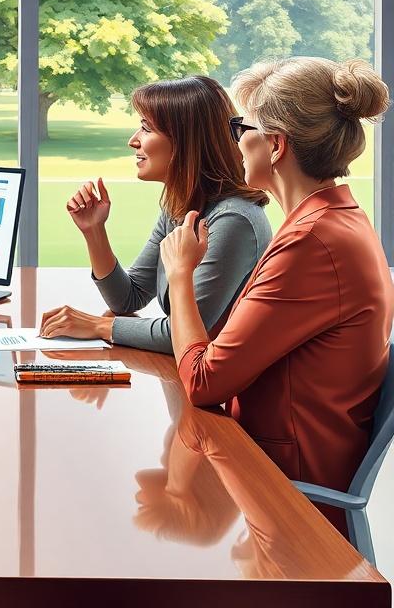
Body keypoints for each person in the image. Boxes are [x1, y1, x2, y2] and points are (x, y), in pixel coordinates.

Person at [159, 56, 394, 536]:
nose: (236, 140)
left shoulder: (312, 242)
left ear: (275, 144)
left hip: (287, 499)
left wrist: (181, 275)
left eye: (241, 127)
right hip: (267, 470)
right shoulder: (332, 221)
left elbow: (205, 381)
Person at [39, 76, 271, 353]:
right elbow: (128, 299)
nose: (132, 141)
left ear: (187, 142)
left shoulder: (234, 221)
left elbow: (185, 336)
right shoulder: (180, 206)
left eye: (146, 129)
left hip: (222, 392)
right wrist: (94, 231)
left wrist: (98, 326)